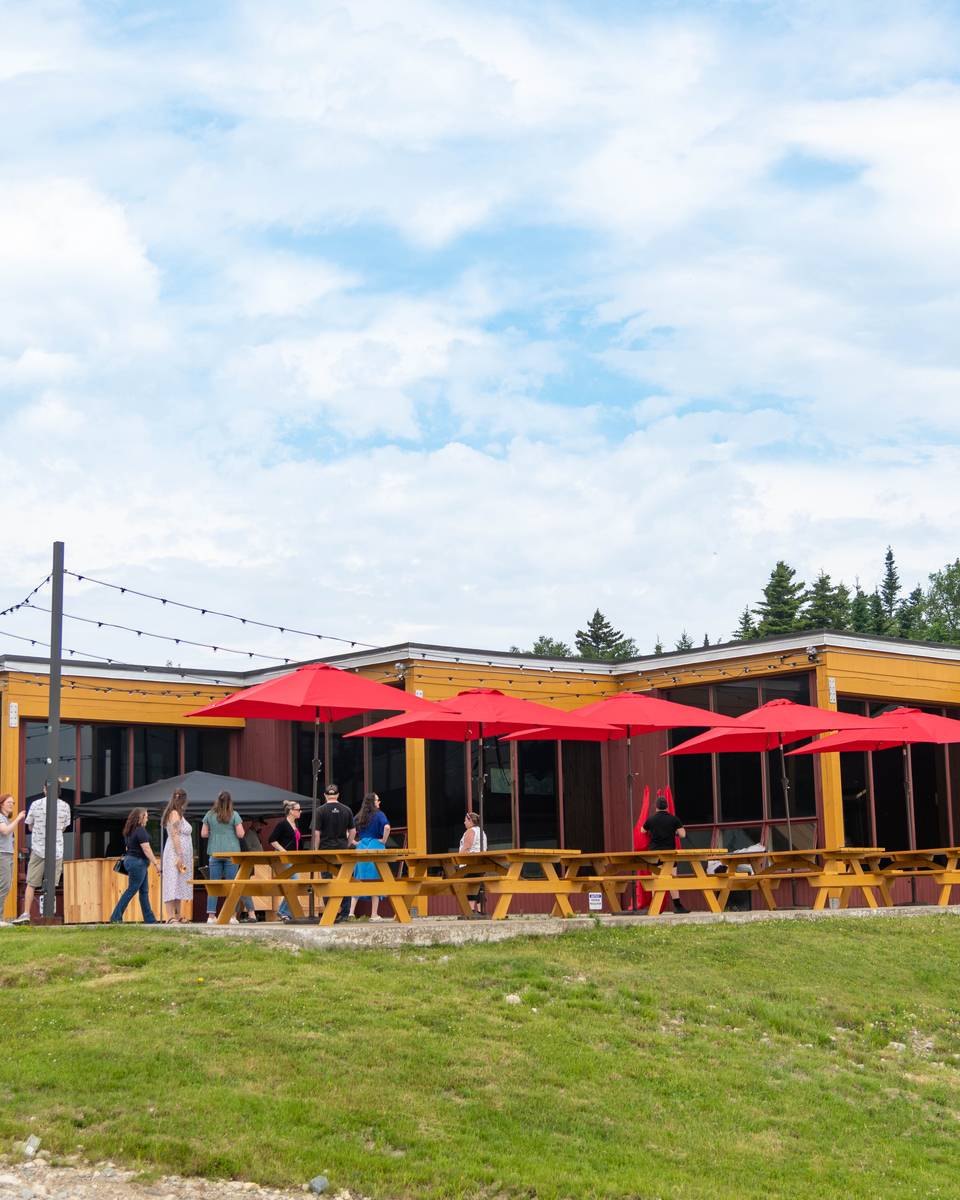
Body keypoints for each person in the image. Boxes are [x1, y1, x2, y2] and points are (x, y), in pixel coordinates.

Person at [11, 782, 72, 925]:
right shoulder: (65, 806)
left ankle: (26, 913)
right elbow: (63, 828)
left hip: (38, 848)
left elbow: (30, 827)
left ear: (45, 789)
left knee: (31, 883)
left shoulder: (35, 804)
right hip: (56, 849)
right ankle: (50, 914)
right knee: (52, 885)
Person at [201, 790, 256, 924]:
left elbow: (203, 834)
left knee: (214, 884)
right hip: (232, 854)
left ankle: (211, 916)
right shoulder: (234, 815)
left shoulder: (209, 815)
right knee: (232, 885)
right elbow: (241, 834)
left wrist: (215, 833)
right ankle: (231, 916)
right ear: (230, 802)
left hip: (214, 852)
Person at [313, 783, 356, 923]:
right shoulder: (347, 810)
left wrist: (316, 850)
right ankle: (344, 913)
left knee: (326, 881)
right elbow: (353, 831)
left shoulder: (320, 811)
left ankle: (330, 911)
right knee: (343, 880)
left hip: (325, 851)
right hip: (342, 850)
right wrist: (348, 844)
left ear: (325, 795)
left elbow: (317, 833)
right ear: (337, 795)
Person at [110, 807, 161, 924]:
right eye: (146, 816)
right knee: (132, 890)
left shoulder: (129, 831)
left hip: (132, 861)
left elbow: (128, 848)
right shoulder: (140, 830)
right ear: (140, 818)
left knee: (144, 891)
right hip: (138, 863)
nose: (147, 819)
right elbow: (146, 849)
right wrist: (156, 864)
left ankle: (150, 920)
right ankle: (115, 917)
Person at [348, 792, 391, 920]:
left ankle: (351, 913)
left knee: (358, 879)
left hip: (361, 848)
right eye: (378, 800)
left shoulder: (359, 816)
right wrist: (383, 840)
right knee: (376, 880)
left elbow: (349, 830)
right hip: (375, 848)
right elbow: (387, 827)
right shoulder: (379, 814)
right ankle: (374, 914)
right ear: (373, 802)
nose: (379, 802)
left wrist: (354, 842)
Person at [642, 795, 687, 914]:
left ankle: (655, 906)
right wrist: (674, 833)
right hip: (670, 854)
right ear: (667, 807)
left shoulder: (651, 820)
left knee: (655, 879)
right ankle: (678, 906)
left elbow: (642, 830)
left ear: (656, 807)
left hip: (655, 854)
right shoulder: (674, 819)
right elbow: (683, 834)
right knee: (672, 879)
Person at [159, 788, 194, 924]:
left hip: (181, 854)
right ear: (182, 801)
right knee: (171, 882)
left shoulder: (178, 814)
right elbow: (174, 834)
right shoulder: (174, 813)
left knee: (179, 883)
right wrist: (179, 855)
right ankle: (169, 916)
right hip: (174, 853)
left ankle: (179, 914)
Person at [270, 799, 303, 922]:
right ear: (291, 811)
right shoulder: (282, 824)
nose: (300, 811)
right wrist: (283, 851)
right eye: (298, 810)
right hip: (284, 858)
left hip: (293, 858)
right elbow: (272, 840)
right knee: (294, 882)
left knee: (293, 884)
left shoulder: (295, 824)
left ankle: (284, 912)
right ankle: (284, 911)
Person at [0, 795, 26, 926]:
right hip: (2, 854)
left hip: (8, 854)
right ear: (2, 804)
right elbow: (5, 831)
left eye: (13, 803)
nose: (12, 804)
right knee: (3, 886)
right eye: (9, 802)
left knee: (6, 886)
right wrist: (18, 819)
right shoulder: (0, 817)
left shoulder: (5, 819)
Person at [458, 811, 488, 917]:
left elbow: (466, 847)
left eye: (466, 820)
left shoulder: (470, 831)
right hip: (481, 863)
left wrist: (457, 860)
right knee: (478, 884)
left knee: (470, 885)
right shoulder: (482, 832)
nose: (464, 822)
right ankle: (480, 911)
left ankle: (470, 911)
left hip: (470, 864)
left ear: (470, 821)